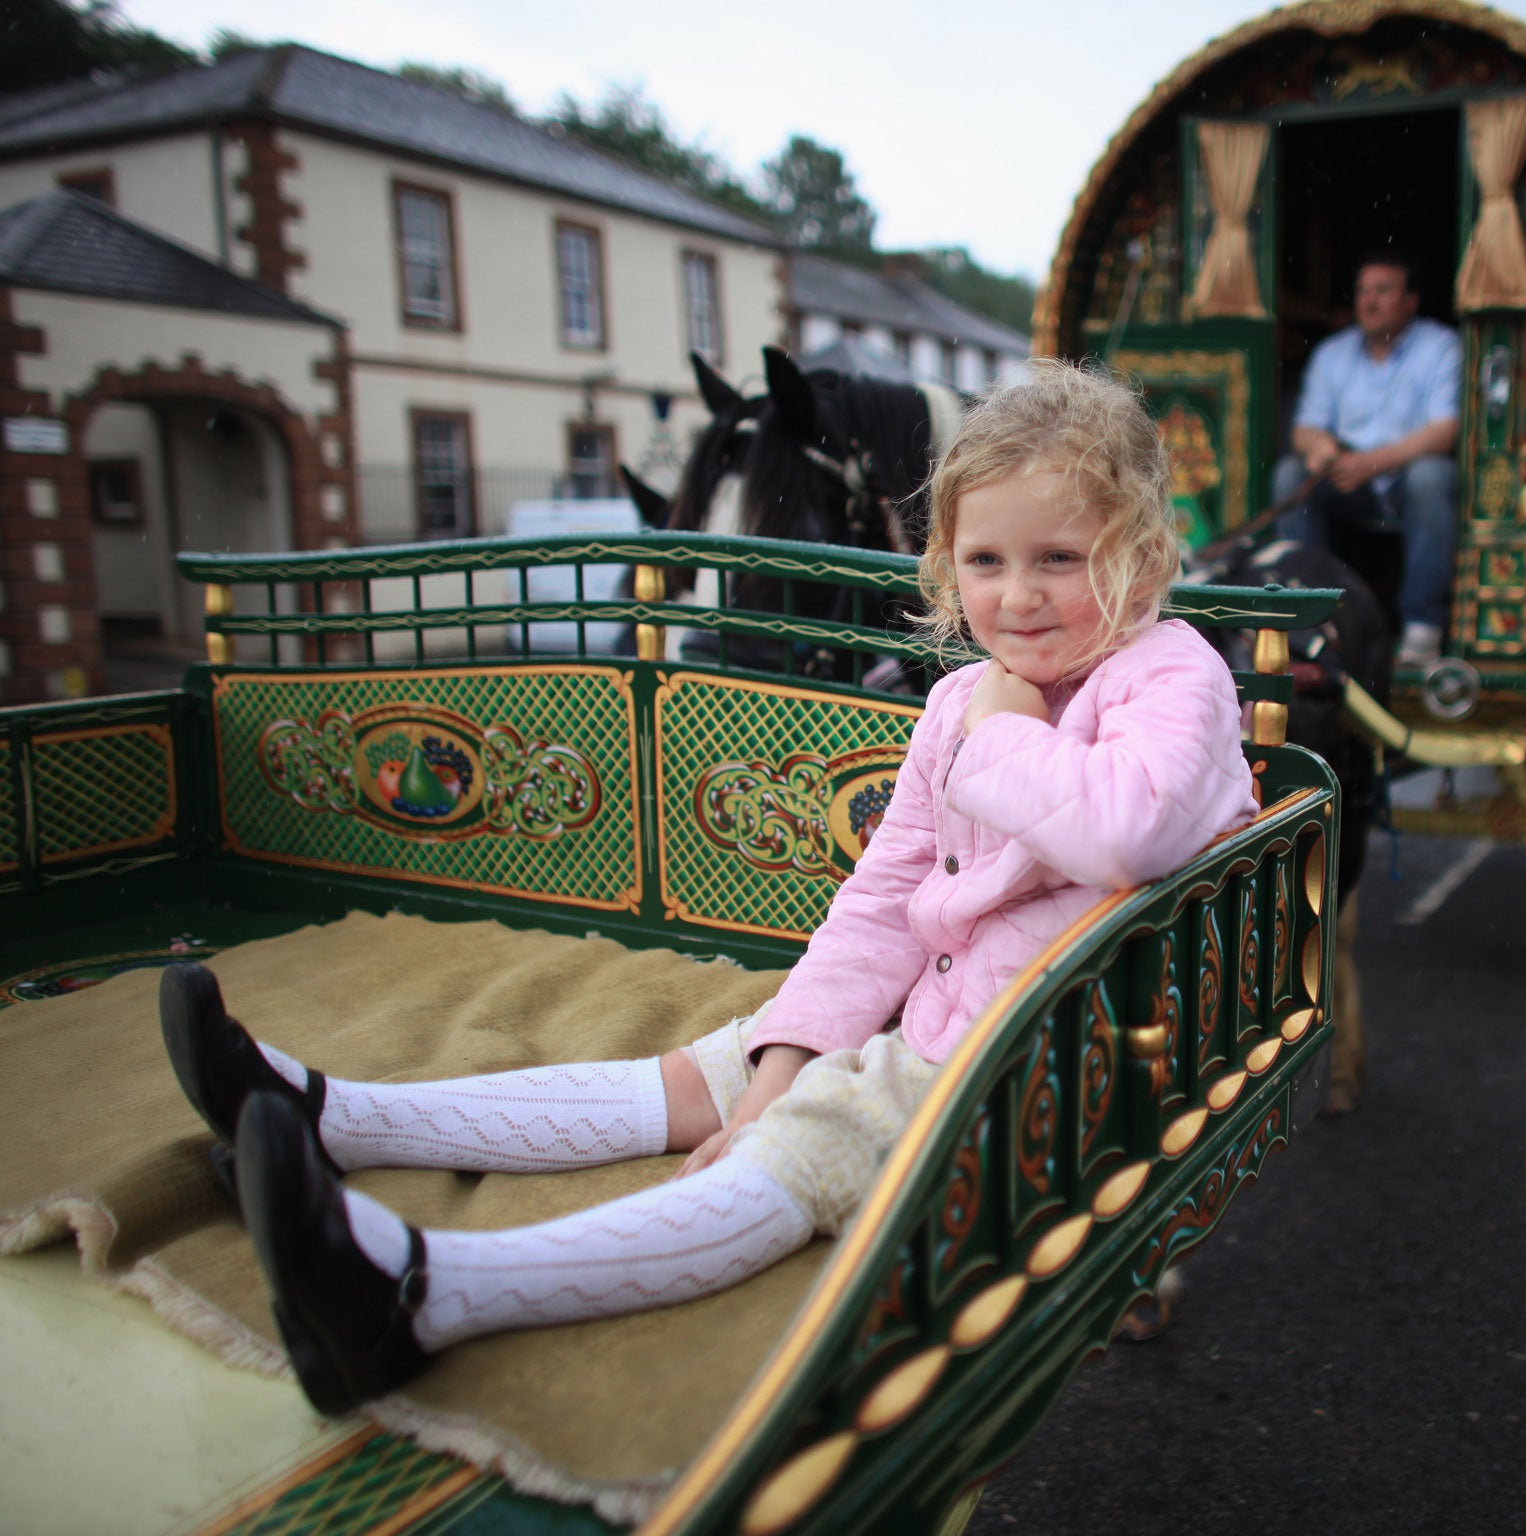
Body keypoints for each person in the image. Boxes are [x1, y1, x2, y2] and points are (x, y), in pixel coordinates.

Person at [158, 359, 1260, 1414]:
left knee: (802, 1145)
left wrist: (1005, 734)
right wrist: (778, 1064)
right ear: (945, 565)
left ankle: (423, 1292)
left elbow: (1125, 829)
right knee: (708, 1073)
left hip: (1055, 1046)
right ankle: (328, 1117)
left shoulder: (1166, 675)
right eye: (984, 562)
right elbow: (878, 904)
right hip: (934, 1007)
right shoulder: (963, 700)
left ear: (1144, 559)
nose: (1016, 597)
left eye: (1058, 559)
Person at [1278, 251, 1461, 668]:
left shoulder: (1441, 346)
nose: (1369, 302)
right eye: (1363, 291)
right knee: (1292, 475)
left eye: (1383, 291)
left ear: (1410, 301)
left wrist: (1372, 463)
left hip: (1404, 482)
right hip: (1350, 484)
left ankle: (1422, 628)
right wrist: (1321, 450)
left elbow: (1444, 431)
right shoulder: (1332, 354)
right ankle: (1309, 616)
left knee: (1431, 476)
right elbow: (1304, 429)